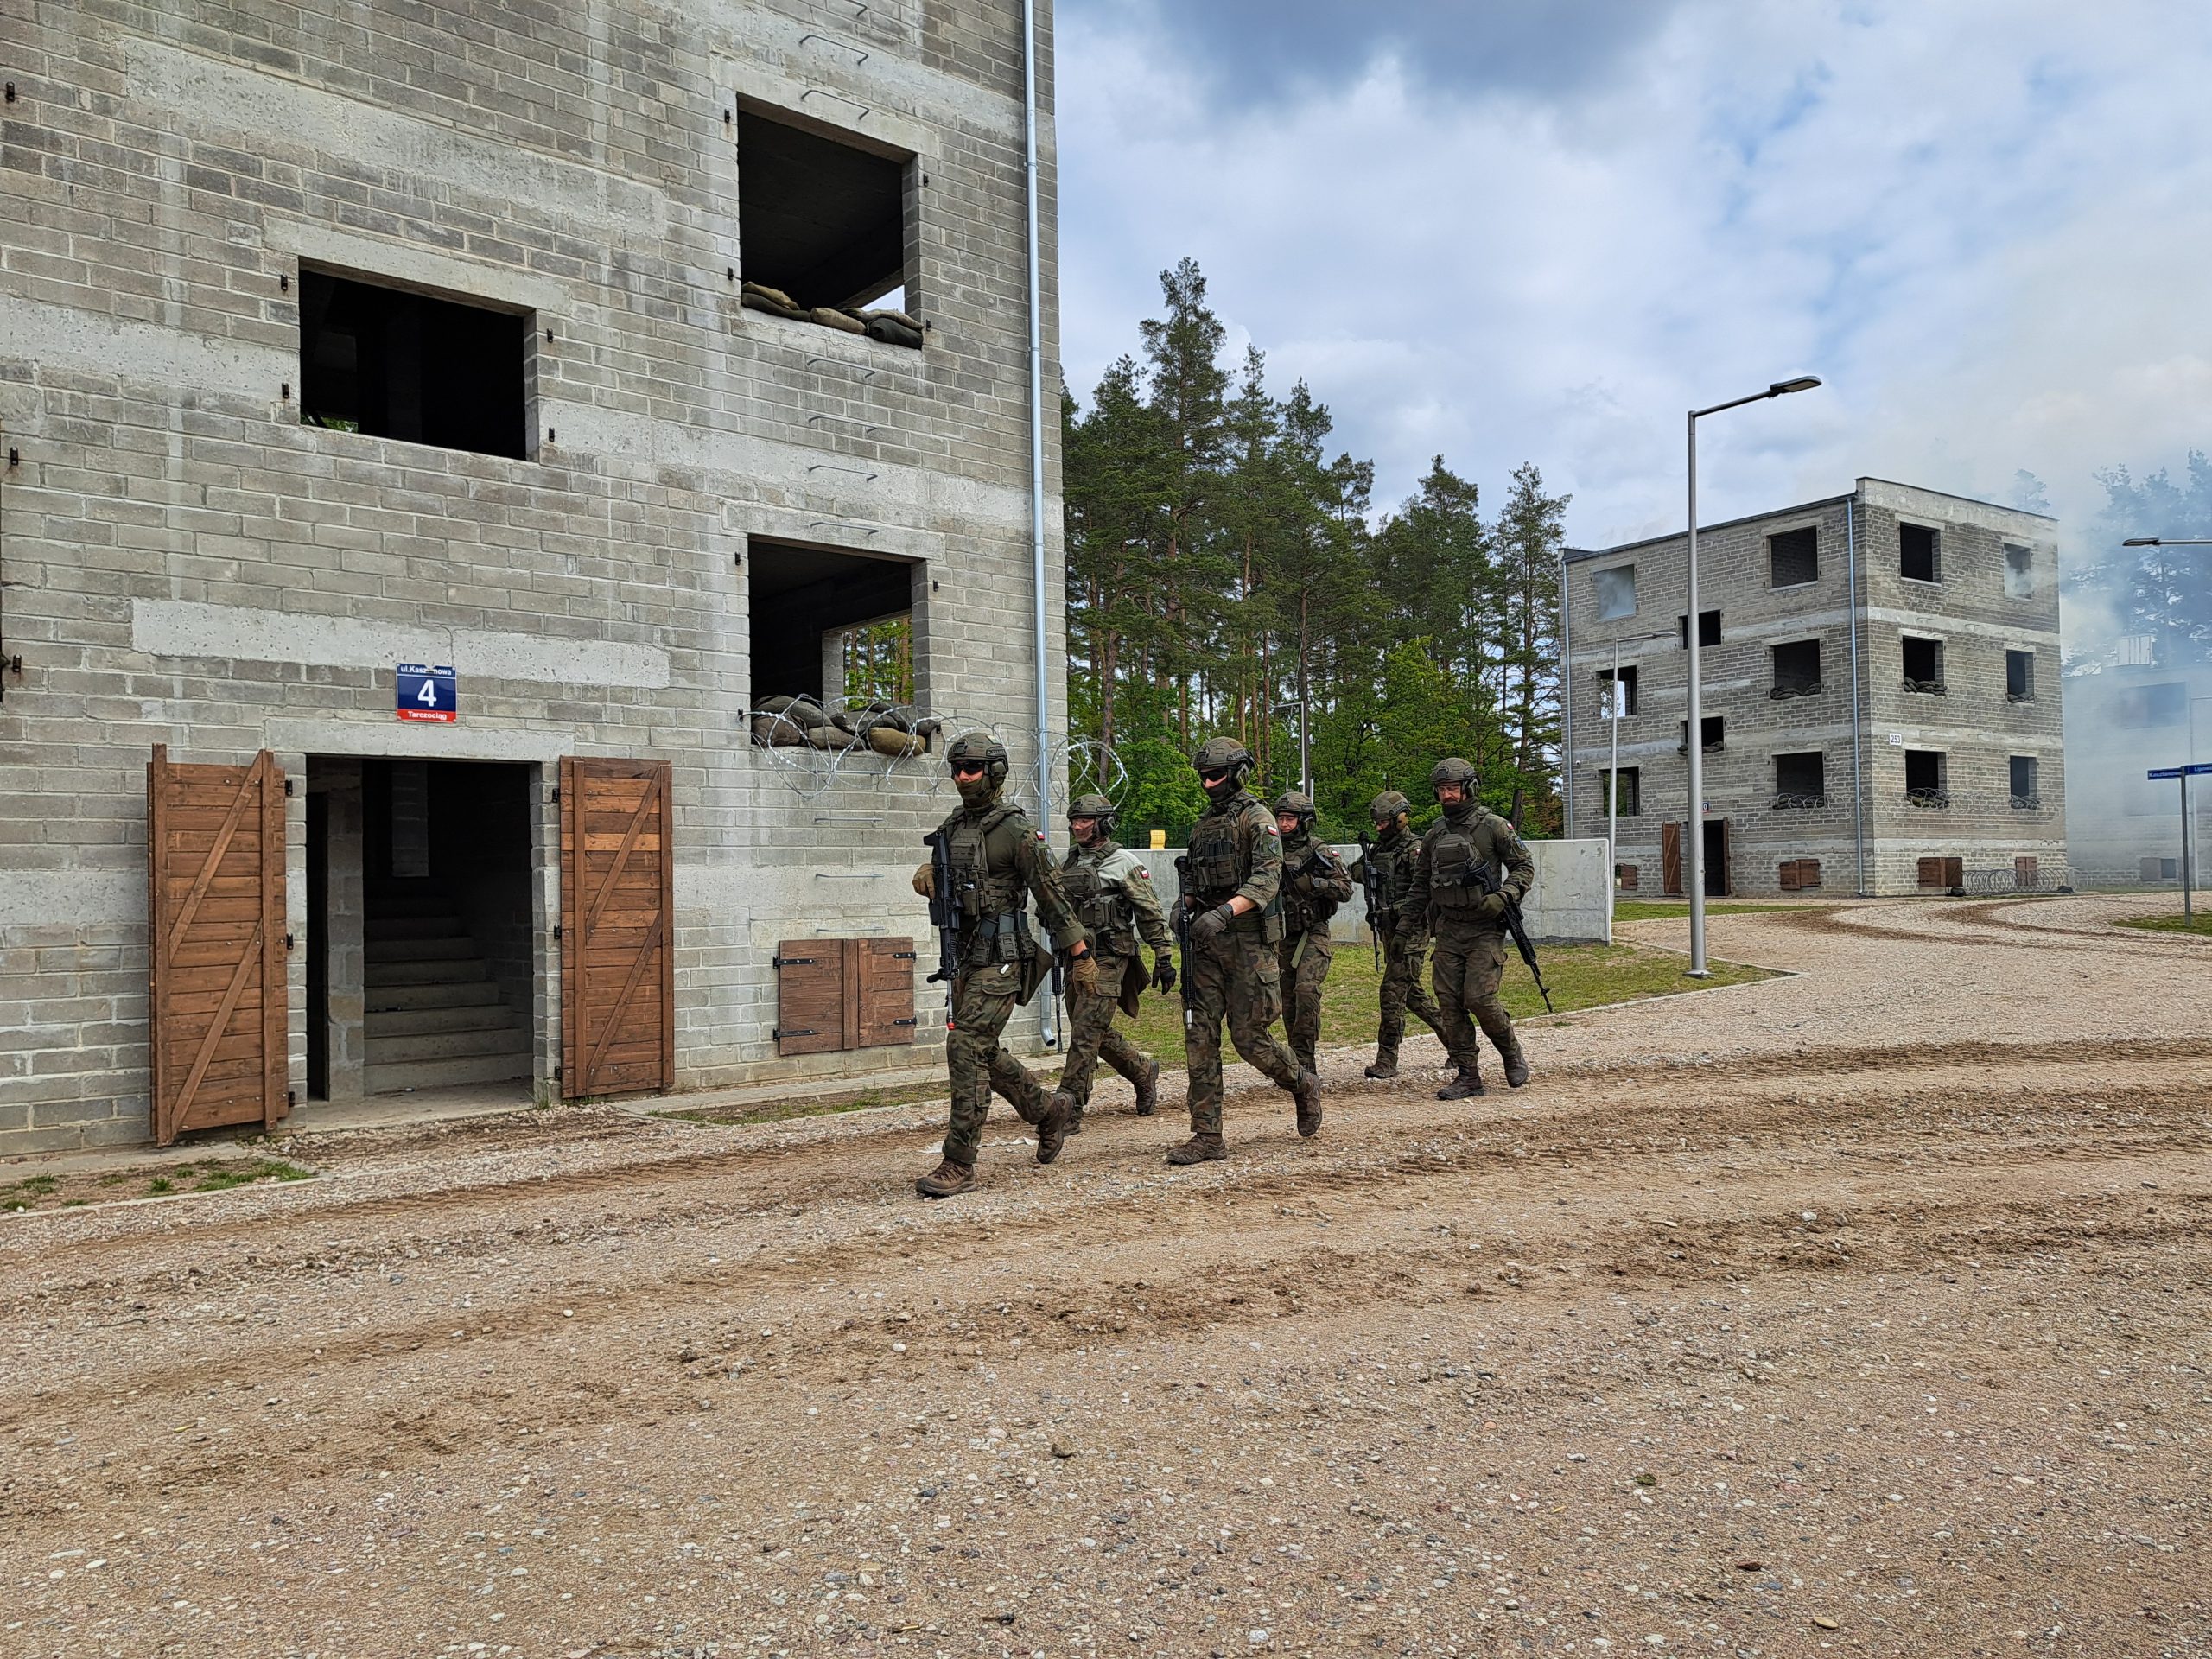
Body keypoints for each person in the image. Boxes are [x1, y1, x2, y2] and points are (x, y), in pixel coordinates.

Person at [909, 733, 1098, 1198]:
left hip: (1005, 957)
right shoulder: (954, 825)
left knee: (966, 1046)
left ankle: (959, 1162)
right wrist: (930, 872)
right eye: (956, 769)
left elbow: (1051, 895)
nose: (961, 777)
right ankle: (1048, 1111)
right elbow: (951, 876)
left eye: (970, 768)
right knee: (982, 1050)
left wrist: (1080, 954)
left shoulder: (1014, 829)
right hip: (966, 957)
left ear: (993, 772)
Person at [1167, 737, 1322, 1164]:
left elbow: (1267, 880)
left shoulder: (1258, 819)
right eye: (1204, 775)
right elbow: (1195, 884)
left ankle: (1302, 1083)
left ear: (1237, 774)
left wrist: (1225, 912)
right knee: (1200, 1037)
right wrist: (1186, 906)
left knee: (1250, 1039)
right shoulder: (1202, 827)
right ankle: (1207, 1135)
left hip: (1250, 943)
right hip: (1207, 947)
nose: (1208, 783)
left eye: (1216, 774)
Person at [1396, 757, 1535, 1099]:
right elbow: (1420, 885)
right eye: (1442, 790)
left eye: (1453, 788)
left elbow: (1523, 866)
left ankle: (1510, 1052)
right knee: (1449, 1002)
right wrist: (1404, 928)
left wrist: (1504, 896)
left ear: (1469, 788)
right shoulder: (1434, 834)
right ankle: (1468, 1074)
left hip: (1485, 928)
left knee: (1479, 998)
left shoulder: (1494, 826)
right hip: (1449, 929)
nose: (1447, 795)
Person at [1049, 792, 1174, 1130]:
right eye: (1074, 821)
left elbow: (1150, 912)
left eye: (1085, 820)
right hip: (1076, 957)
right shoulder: (1067, 862)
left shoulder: (1124, 861)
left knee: (1086, 1032)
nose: (1078, 826)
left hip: (1110, 956)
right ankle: (1142, 1071)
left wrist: (1163, 954)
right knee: (1089, 1029)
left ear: (1104, 822)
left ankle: (1068, 1109)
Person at [1351, 789, 1449, 1079]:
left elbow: (1426, 891)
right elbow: (1355, 870)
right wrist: (1365, 872)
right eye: (1377, 820)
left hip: (1412, 931)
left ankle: (1387, 1059)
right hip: (1389, 930)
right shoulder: (1378, 850)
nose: (1379, 825)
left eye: (1384, 820)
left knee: (1392, 993)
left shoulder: (1415, 850)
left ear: (1400, 818)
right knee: (1412, 994)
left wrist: (1398, 909)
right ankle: (1459, 1045)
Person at [1272, 791, 1353, 1075]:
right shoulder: (1269, 851)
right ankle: (1297, 1060)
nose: (1284, 824)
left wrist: (1314, 883)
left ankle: (1306, 1061)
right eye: (1280, 818)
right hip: (1281, 936)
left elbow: (1345, 888)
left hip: (1313, 932)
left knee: (1306, 990)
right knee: (1287, 999)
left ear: (1304, 821)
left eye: (1290, 819)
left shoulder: (1318, 850)